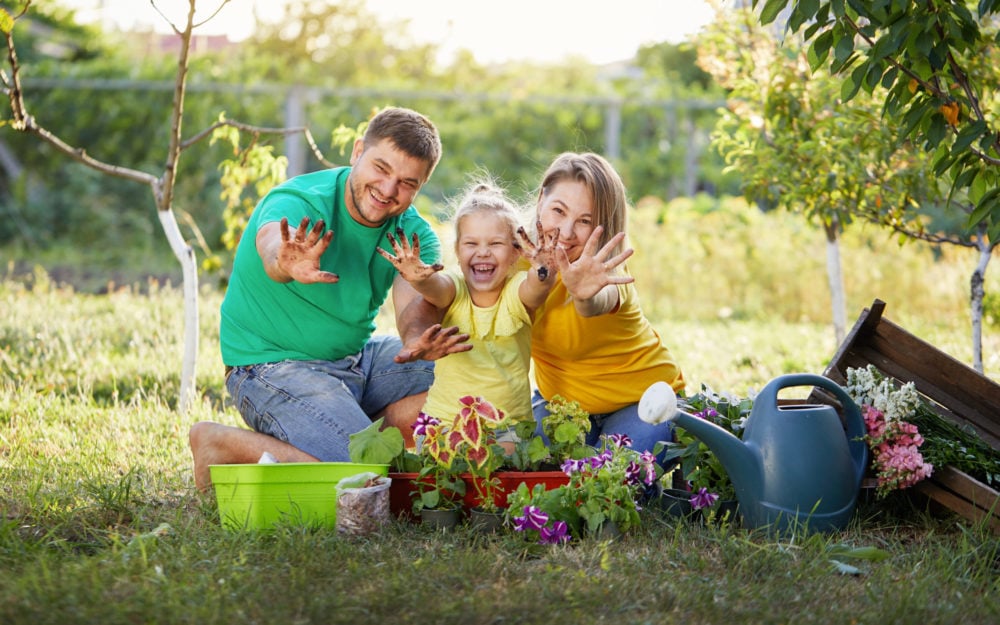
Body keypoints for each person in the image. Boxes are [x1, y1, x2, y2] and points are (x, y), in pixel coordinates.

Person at [188, 106, 468, 492]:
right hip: (271, 367)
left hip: (354, 361)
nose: (388, 190)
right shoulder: (302, 199)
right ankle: (221, 444)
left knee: (468, 371)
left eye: (406, 182)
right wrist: (284, 262)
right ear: (357, 152)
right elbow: (272, 244)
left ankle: (346, 429)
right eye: (381, 169)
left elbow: (411, 309)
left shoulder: (411, 233)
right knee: (369, 478)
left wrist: (418, 337)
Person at [528, 152, 686, 456]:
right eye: (558, 211)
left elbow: (598, 302)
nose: (567, 232)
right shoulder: (518, 264)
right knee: (539, 474)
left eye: (585, 221)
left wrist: (583, 294)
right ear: (540, 202)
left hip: (643, 401)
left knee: (610, 482)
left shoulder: (609, 276)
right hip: (562, 406)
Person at [377, 179, 556, 436]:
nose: (483, 252)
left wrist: (543, 272)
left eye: (495, 244)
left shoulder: (514, 290)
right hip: (444, 424)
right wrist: (418, 278)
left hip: (508, 427)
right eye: (471, 244)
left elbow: (534, 291)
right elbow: (435, 287)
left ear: (516, 253)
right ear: (458, 252)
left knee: (500, 468)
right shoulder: (454, 287)